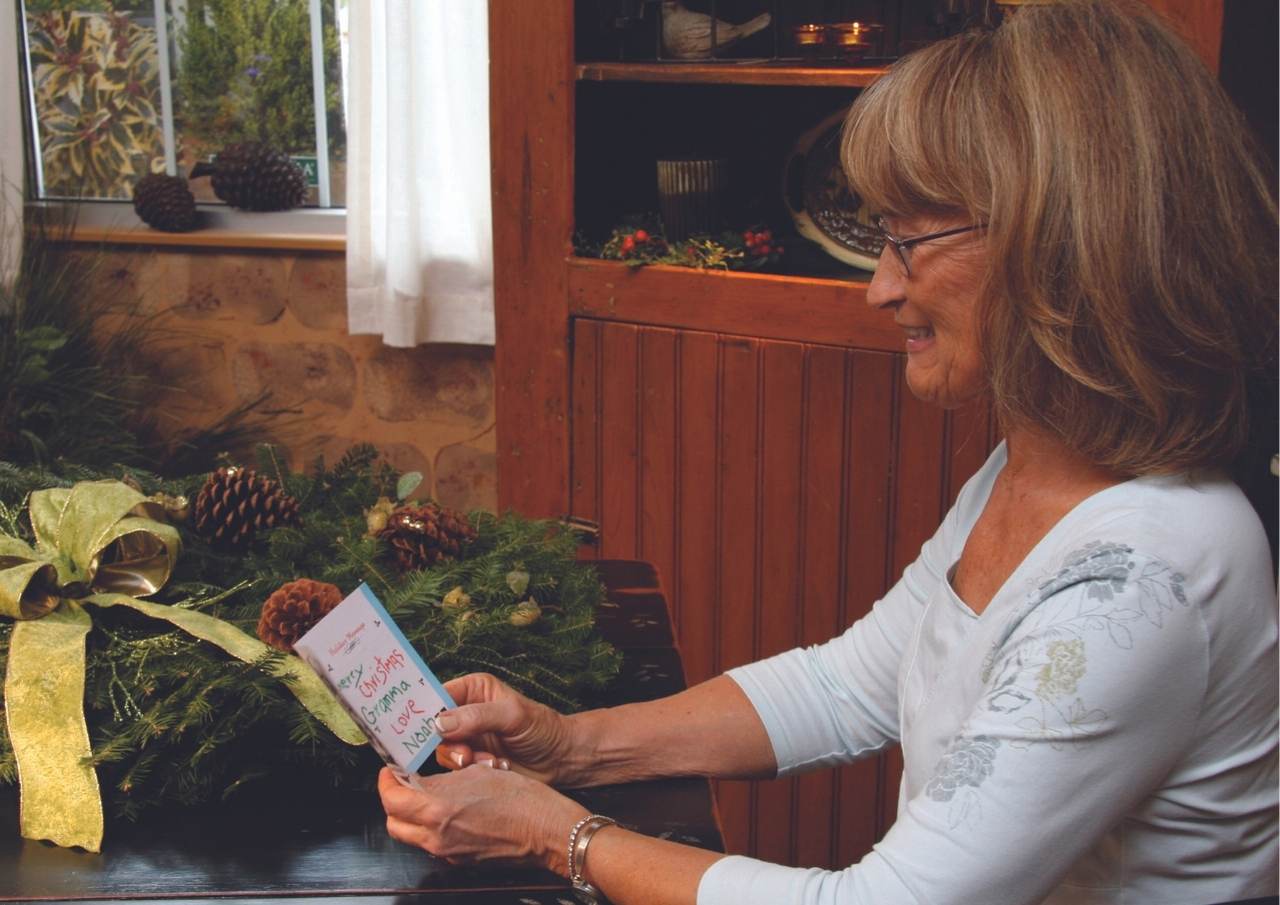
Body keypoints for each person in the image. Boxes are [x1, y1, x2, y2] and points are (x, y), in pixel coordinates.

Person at [378, 2, 1279, 903]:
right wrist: (570, 745)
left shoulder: (1142, 579)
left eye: (909, 241)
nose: (879, 288)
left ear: (1066, 245)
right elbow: (848, 686)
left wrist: (551, 832)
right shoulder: (1035, 465)